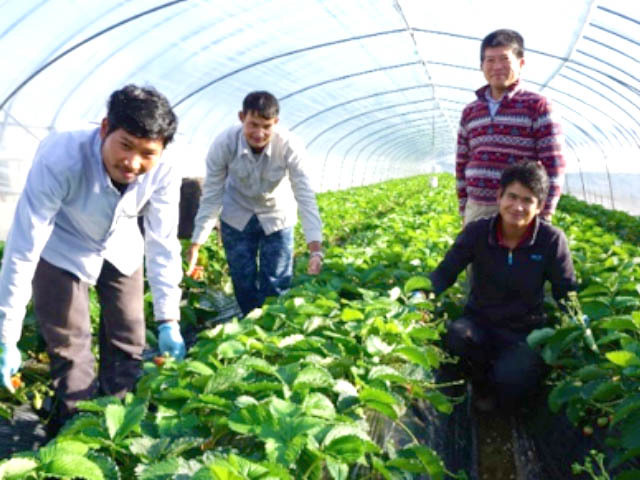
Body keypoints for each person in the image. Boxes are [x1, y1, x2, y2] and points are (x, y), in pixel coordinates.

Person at [0, 84, 186, 435]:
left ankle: (119, 432)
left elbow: (162, 242)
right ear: (104, 129)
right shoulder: (61, 156)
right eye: (125, 146)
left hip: (121, 245)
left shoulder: (165, 169)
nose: (133, 163)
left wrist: (169, 318)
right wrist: (6, 335)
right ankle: (77, 436)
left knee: (130, 342)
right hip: (62, 248)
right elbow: (24, 245)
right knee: (71, 352)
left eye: (147, 153)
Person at [428, 162, 576, 410]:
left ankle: (507, 390)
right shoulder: (478, 232)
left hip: (524, 331)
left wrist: (581, 331)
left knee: (512, 380)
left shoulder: (550, 240)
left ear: (539, 207)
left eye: (528, 200)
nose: (518, 207)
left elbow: (566, 290)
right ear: (499, 196)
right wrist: (419, 295)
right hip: (479, 322)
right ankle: (480, 385)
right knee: (456, 337)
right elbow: (445, 272)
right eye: (512, 196)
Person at [186, 91, 323, 316]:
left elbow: (305, 194)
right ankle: (250, 327)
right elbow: (211, 195)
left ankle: (272, 331)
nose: (259, 133)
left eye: (266, 126)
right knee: (243, 282)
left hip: (277, 215)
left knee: (276, 282)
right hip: (237, 215)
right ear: (242, 118)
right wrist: (196, 243)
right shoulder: (224, 144)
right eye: (253, 124)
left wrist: (315, 249)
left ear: (276, 123)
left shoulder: (290, 146)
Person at [456, 29, 565, 226]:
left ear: (521, 63)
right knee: (477, 258)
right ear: (481, 66)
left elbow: (554, 165)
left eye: (504, 59)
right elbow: (462, 163)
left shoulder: (538, 106)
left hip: (519, 211)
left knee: (516, 258)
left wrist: (545, 214)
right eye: (490, 60)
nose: (497, 67)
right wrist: (464, 208)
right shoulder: (470, 112)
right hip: (477, 209)